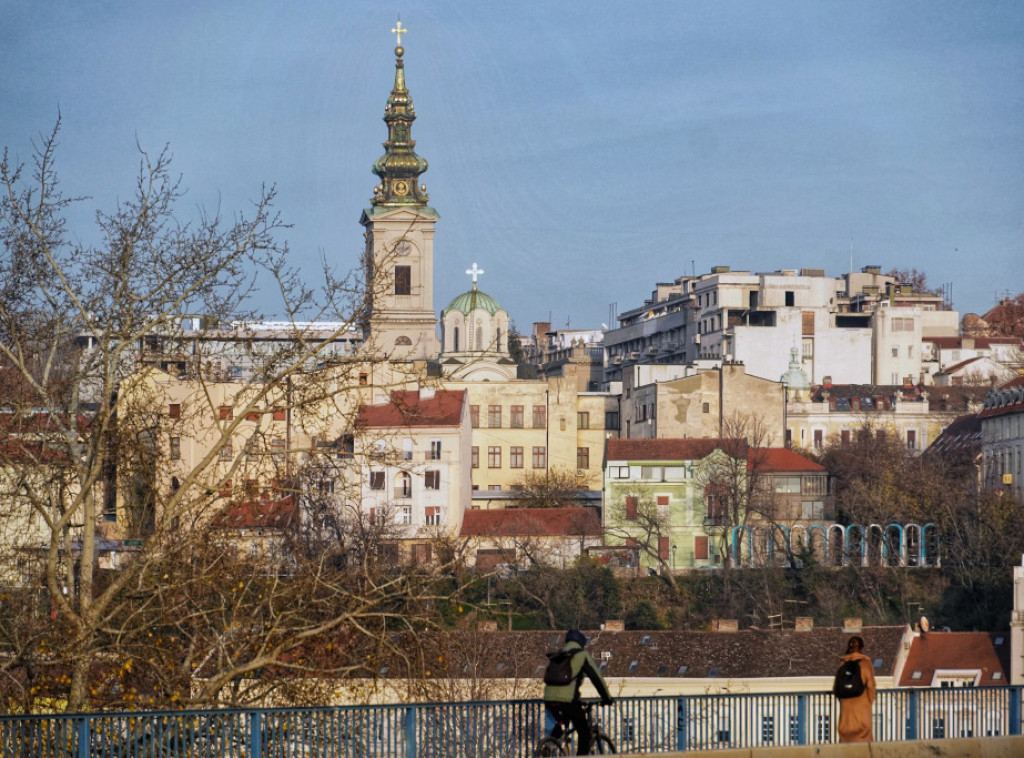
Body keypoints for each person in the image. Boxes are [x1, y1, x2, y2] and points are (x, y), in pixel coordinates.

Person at [543, 629, 613, 755]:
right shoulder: (581, 654)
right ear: (581, 643)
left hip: (549, 699)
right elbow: (596, 678)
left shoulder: (558, 654)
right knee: (584, 731)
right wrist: (607, 698)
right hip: (567, 700)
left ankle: (549, 745)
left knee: (560, 723)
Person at [836, 636, 876, 742]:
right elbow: (871, 685)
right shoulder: (865, 663)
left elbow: (836, 687)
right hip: (861, 705)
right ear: (862, 647)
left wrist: (843, 700)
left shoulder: (843, 663)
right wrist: (868, 702)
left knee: (846, 736)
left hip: (846, 707)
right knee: (863, 737)